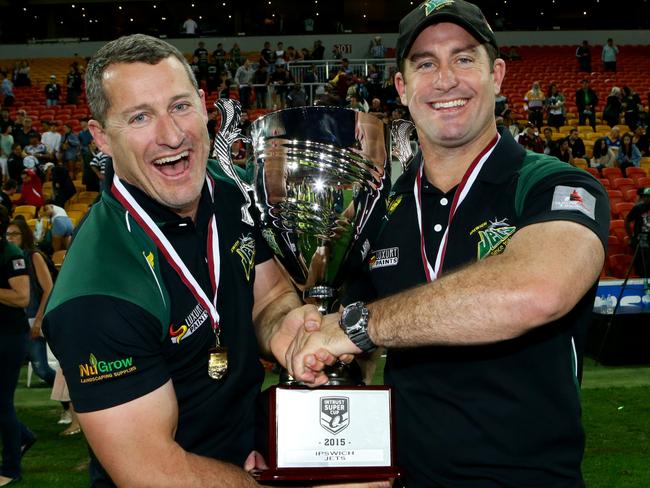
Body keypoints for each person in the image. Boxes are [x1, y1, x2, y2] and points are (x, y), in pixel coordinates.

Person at [283, 1, 610, 486]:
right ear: (402, 87)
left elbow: (539, 291)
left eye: (463, 58)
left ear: (496, 74)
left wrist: (357, 326)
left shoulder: (550, 185)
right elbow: (356, 359)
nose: (445, 80)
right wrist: (338, 451)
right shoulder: (377, 208)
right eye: (425, 64)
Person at [42, 34, 388, 488]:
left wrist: (285, 332)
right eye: (140, 117)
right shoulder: (96, 291)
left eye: (180, 106)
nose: (171, 135)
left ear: (205, 106)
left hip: (248, 456)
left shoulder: (229, 194)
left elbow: (271, 296)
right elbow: (151, 473)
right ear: (102, 138)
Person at [0, 206, 35, 487]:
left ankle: (11, 469)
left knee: (2, 405)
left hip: (8, 338)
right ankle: (23, 436)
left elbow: (22, 297)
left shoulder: (11, 255)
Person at [5, 218, 56, 387]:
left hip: (35, 317)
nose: (10, 238)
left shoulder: (34, 256)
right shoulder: (8, 258)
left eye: (14, 234)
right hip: (16, 322)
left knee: (41, 369)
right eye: (7, 234)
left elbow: (49, 289)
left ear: (24, 235)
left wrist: (39, 319)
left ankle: (68, 398)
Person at [624, 187, 650, 278]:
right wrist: (631, 237)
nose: (647, 198)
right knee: (641, 265)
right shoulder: (638, 207)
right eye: (645, 197)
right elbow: (627, 220)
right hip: (640, 239)